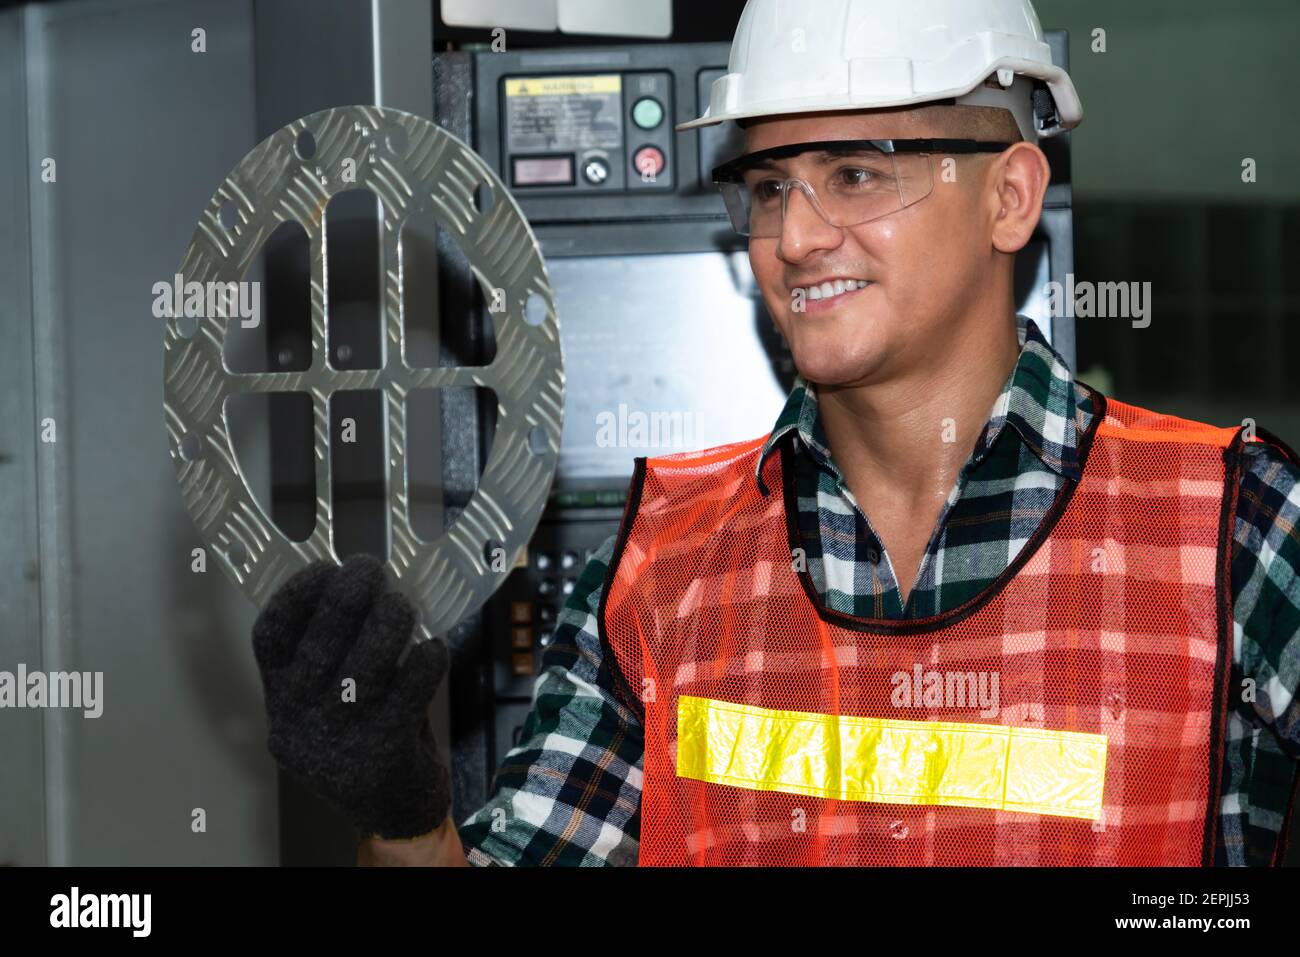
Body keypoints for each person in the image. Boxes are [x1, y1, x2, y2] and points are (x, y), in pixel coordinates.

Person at [252, 0, 1300, 866]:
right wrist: (400, 808)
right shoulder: (657, 570)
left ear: (1011, 197)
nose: (794, 239)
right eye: (767, 188)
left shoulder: (1231, 529)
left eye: (854, 174)